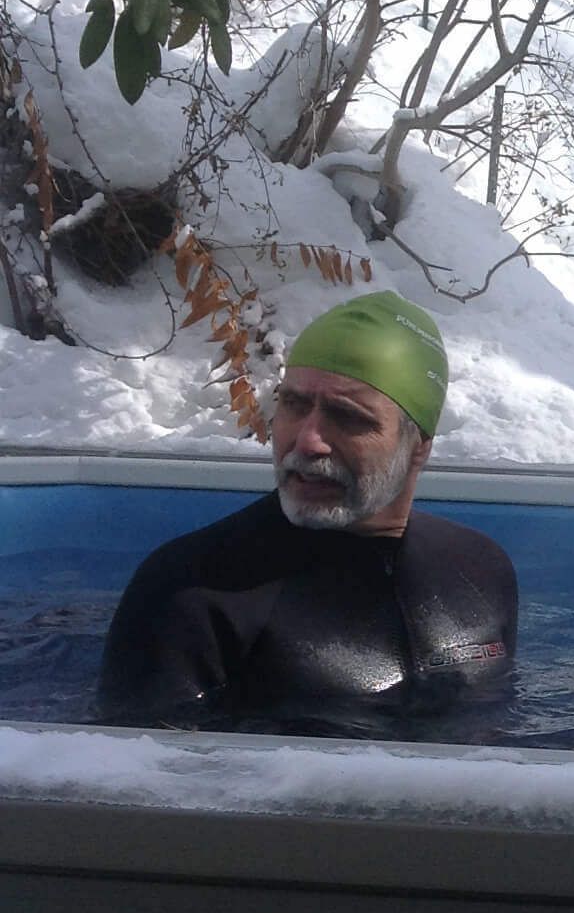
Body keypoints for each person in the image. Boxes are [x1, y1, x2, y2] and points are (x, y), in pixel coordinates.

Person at [97, 290, 517, 732]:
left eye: (348, 416)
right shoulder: (190, 594)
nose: (307, 440)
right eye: (294, 405)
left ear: (419, 446)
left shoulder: (482, 569)